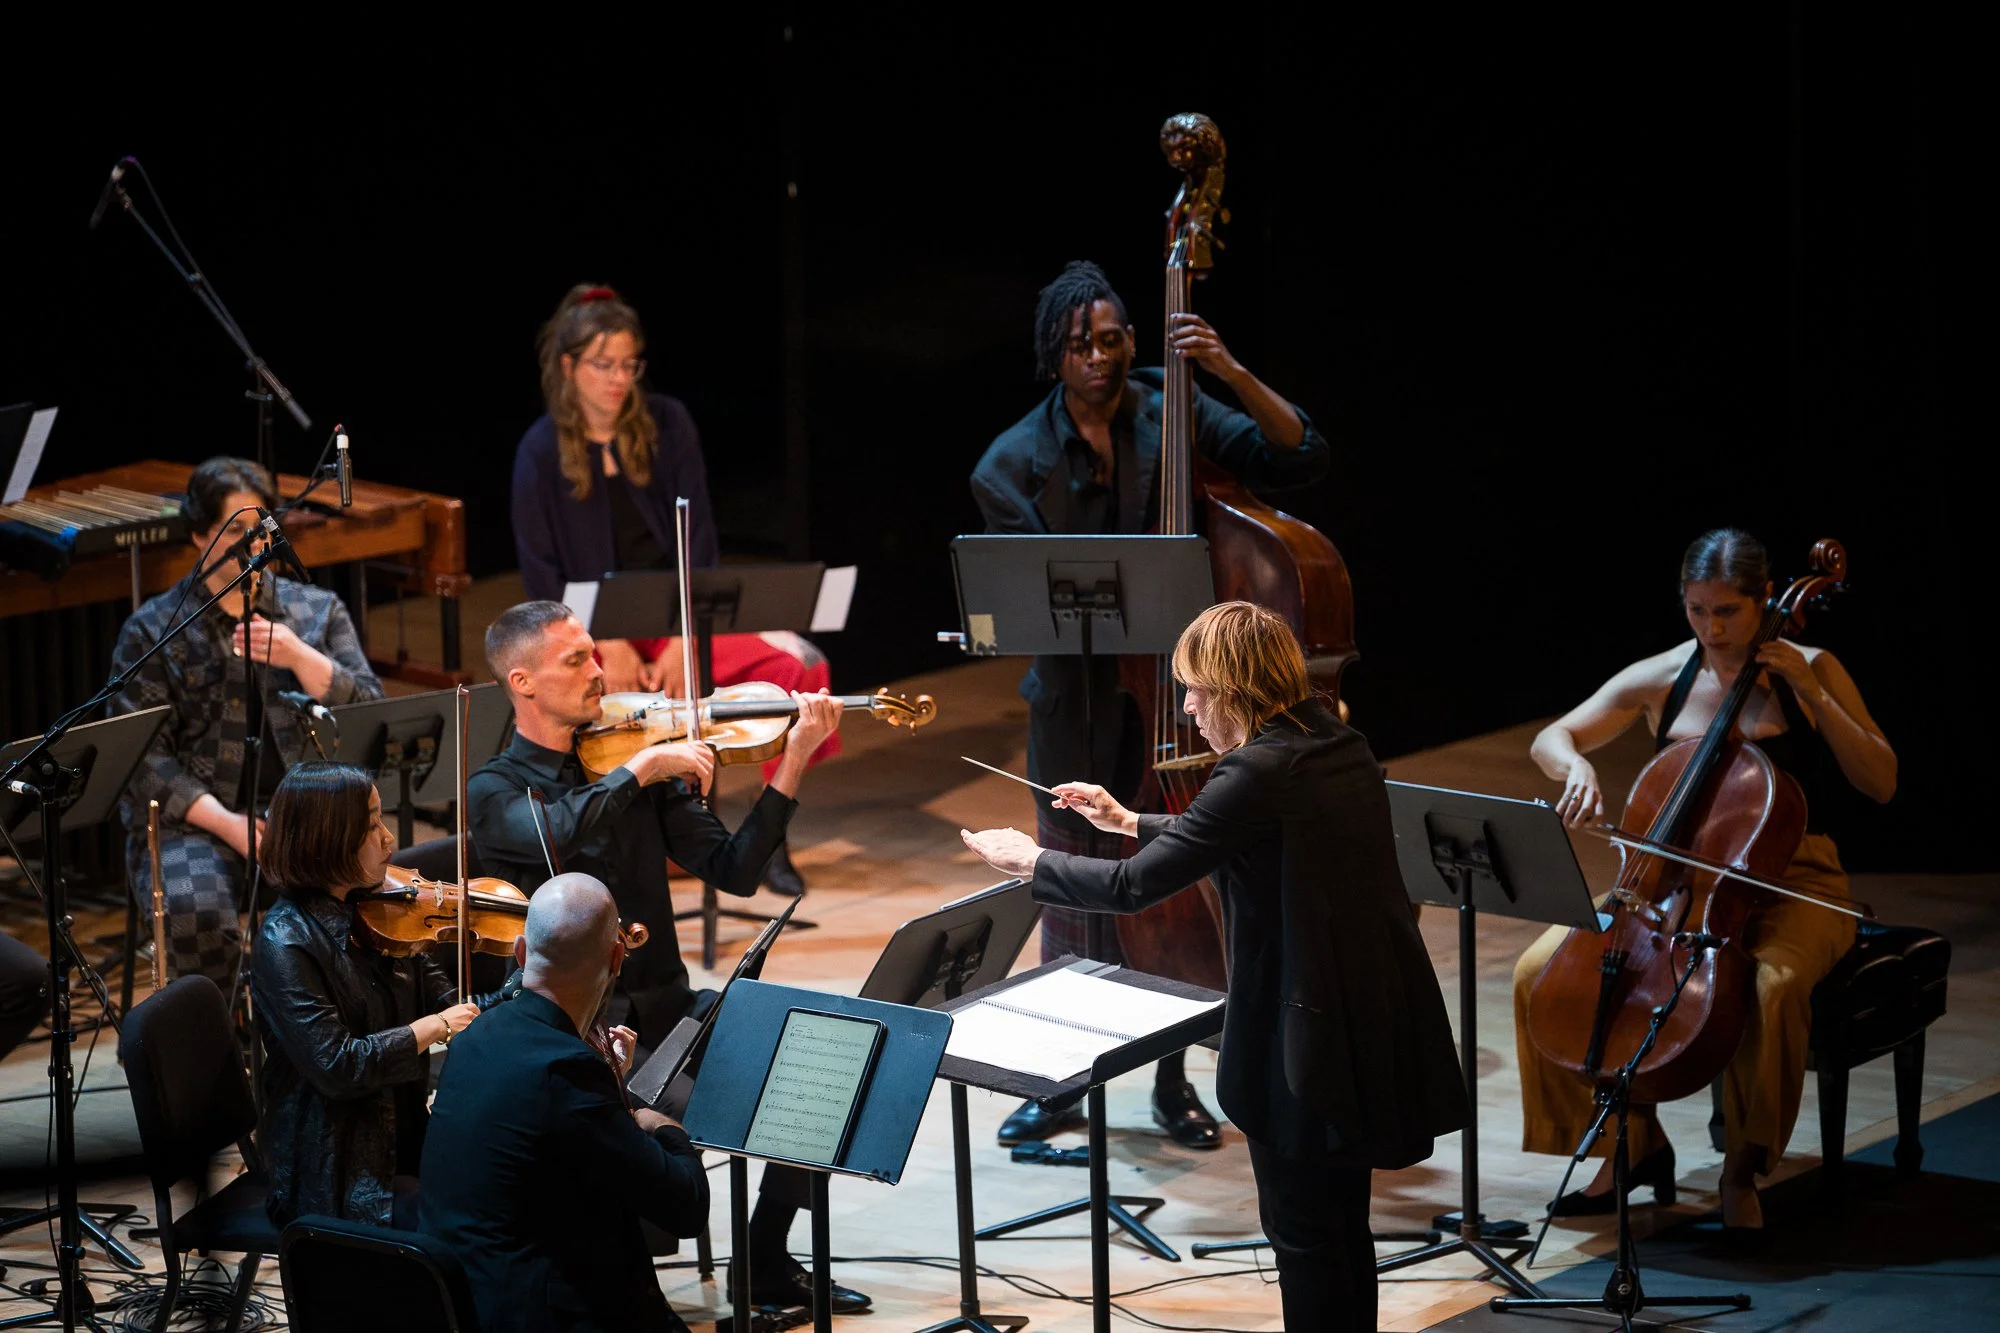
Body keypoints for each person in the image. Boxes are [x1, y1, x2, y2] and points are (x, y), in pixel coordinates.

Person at [961, 602, 1467, 1332]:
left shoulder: (1255, 770)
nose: (1188, 707)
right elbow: (1231, 830)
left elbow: (1133, 887)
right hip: (1360, 1014)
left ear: (1234, 689)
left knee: (1303, 1234)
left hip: (1303, 1032)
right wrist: (1127, 819)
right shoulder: (1331, 741)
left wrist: (1031, 860)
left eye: (1196, 690)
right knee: (1338, 1227)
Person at [968, 260, 1332, 1149]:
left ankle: (1174, 1079)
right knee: (1072, 900)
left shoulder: (1175, 408)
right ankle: (1063, 1080)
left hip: (1182, 710)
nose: (1099, 356)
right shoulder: (1009, 464)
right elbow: (1023, 610)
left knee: (1177, 891)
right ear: (1054, 355)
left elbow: (1298, 455)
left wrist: (1227, 370)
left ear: (1134, 339)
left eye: (1113, 338)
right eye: (1080, 344)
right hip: (1076, 706)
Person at [468, 599, 870, 1313]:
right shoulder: (497, 789)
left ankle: (765, 1255)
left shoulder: (633, 767)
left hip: (670, 1011)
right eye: (575, 661)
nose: (599, 672)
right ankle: (628, 1298)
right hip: (584, 1040)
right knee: (690, 1123)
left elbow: (735, 869)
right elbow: (552, 832)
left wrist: (793, 758)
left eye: (594, 654)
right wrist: (644, 766)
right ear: (522, 682)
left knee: (822, 1065)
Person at [1513, 528, 1896, 1232]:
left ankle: (1741, 1170)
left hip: (1798, 879)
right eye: (1697, 610)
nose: (1712, 630)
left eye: (1728, 612)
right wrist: (1576, 767)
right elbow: (1552, 737)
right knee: (1539, 970)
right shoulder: (1665, 674)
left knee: (1771, 986)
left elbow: (1881, 780)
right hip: (1670, 881)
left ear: (1765, 599)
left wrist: (1813, 693)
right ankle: (1627, 1141)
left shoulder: (1813, 667)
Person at [511, 282, 836, 895]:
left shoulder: (668, 424)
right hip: (589, 632)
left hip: (678, 619)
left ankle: (770, 834)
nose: (619, 379)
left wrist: (683, 641)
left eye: (628, 365)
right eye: (603, 365)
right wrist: (604, 640)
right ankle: (640, 834)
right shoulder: (538, 451)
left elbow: (701, 542)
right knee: (597, 697)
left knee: (793, 666)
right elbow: (540, 576)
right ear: (568, 366)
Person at [112, 456, 383, 986]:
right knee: (195, 911)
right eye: (234, 532)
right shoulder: (154, 629)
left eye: (260, 532)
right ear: (199, 535)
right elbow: (144, 761)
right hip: (202, 824)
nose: (253, 546)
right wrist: (229, 825)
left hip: (310, 817)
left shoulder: (316, 611)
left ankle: (331, 1025)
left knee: (373, 898)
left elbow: (371, 712)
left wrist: (301, 657)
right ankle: (227, 1025)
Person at [420, 873, 708, 1333]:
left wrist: (609, 1086)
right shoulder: (568, 1071)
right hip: (539, 1314)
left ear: (520, 952)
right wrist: (662, 1124)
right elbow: (686, 1206)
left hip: (463, 1300)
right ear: (617, 959)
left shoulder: (475, 1035)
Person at [249, 762, 483, 1227]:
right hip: (337, 1173)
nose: (388, 838)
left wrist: (530, 983)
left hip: (405, 1138)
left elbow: (453, 1002)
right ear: (328, 839)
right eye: (372, 825)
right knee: (478, 1220)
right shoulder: (285, 942)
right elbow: (339, 1066)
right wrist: (434, 1028)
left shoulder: (382, 914)